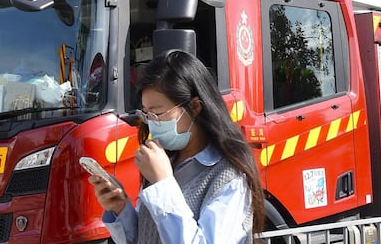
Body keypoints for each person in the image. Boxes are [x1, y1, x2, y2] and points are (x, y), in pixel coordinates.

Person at [89, 49, 265, 244]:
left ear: (195, 106)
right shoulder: (166, 163)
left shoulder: (228, 177)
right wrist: (121, 208)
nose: (152, 123)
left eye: (159, 113)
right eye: (147, 114)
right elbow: (148, 236)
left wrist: (163, 185)